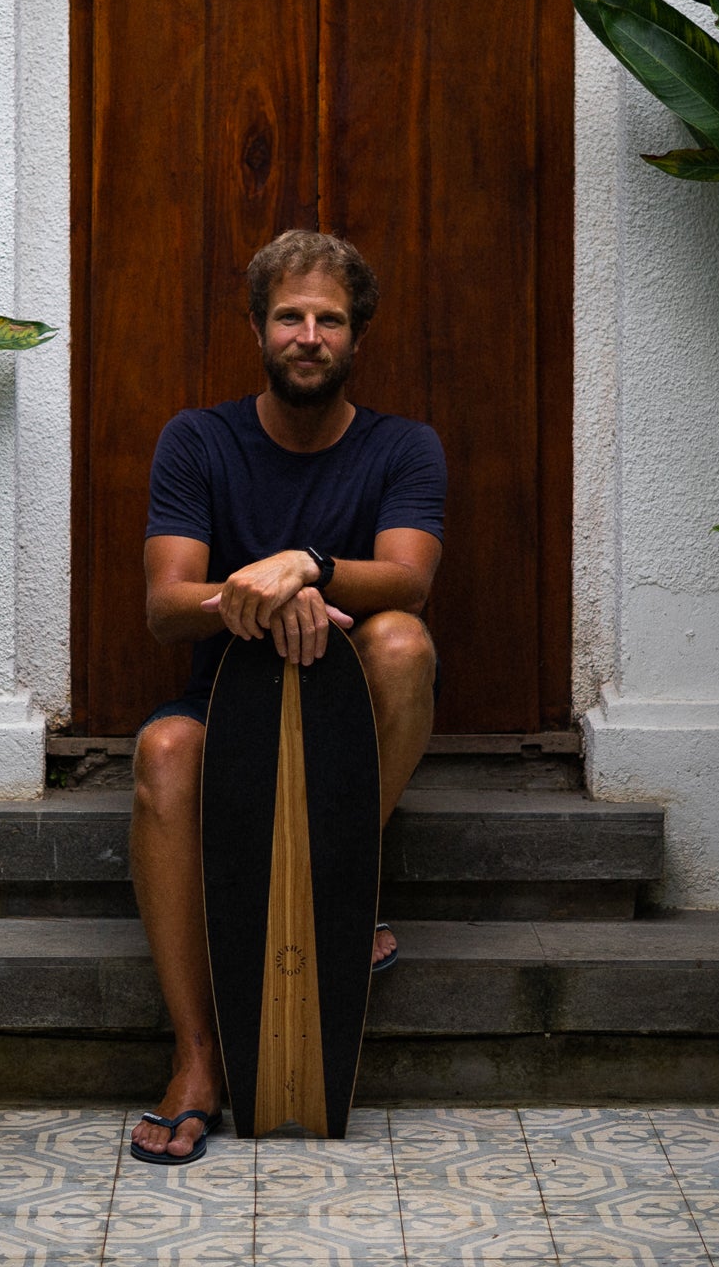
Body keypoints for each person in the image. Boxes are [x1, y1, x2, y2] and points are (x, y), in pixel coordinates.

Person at [126, 230, 446, 1164]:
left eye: (330, 320)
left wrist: (306, 566)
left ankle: (331, 891)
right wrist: (260, 601)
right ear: (260, 330)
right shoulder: (199, 440)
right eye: (290, 316)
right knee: (161, 755)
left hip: (349, 707)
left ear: (358, 337)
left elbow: (409, 581)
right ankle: (197, 1059)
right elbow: (165, 607)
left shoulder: (403, 447)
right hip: (228, 699)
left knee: (400, 643)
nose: (309, 335)